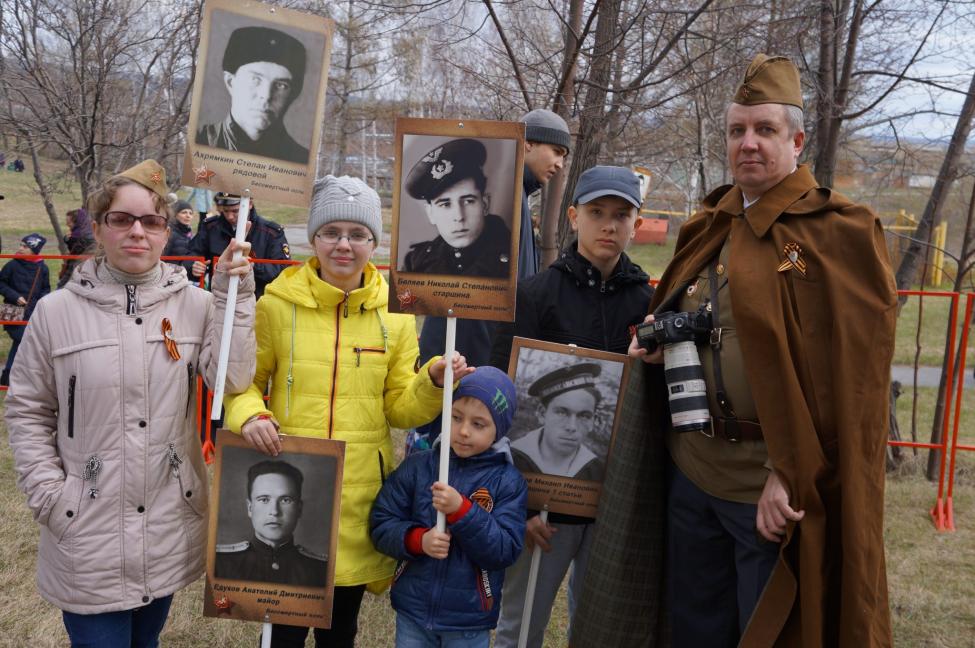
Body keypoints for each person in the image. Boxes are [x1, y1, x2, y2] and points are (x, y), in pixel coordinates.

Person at [573, 54, 898, 647]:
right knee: (694, 629)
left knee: (768, 631)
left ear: (797, 140)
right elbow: (691, 320)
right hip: (692, 474)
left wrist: (787, 472)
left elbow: (855, 383)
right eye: (737, 130)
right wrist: (658, 344)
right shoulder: (711, 226)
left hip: (768, 492)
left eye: (765, 130)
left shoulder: (839, 235)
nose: (748, 143)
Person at [4, 159, 256, 647]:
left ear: (166, 231)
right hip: (86, 525)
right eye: (122, 219)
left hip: (165, 521)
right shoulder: (56, 314)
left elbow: (233, 377)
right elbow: (29, 410)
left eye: (151, 221)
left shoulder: (198, 305)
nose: (137, 232)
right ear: (99, 227)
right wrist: (51, 497)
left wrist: (234, 294)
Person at [223, 174, 473, 648]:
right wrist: (251, 416)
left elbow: (399, 408)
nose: (344, 245)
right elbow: (243, 384)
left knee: (341, 634)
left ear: (373, 242)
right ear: (314, 238)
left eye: (358, 234)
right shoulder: (276, 304)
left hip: (358, 499)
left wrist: (431, 382)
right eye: (332, 232)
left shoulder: (397, 313)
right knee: (282, 636)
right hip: (288, 483)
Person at [489, 164, 652, 648]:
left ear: (636, 224)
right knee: (520, 629)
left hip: (614, 502)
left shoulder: (650, 303)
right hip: (544, 507)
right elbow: (500, 400)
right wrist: (520, 503)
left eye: (621, 215)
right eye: (597, 212)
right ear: (574, 216)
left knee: (600, 629)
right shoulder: (536, 296)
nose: (608, 225)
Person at [407, 110, 572, 454]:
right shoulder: (510, 206)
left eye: (565, 156)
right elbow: (475, 309)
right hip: (469, 360)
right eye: (556, 151)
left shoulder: (518, 203)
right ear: (526, 143)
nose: (559, 163)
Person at [370, 366, 527, 648]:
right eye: (456, 418)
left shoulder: (508, 481)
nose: (464, 431)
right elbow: (382, 522)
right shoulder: (419, 466)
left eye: (479, 424)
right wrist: (419, 540)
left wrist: (462, 511)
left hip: (468, 622)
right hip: (414, 614)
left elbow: (504, 549)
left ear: (499, 429)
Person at [196, 26, 310, 164]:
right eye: (255, 79)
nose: (266, 95)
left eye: (281, 85)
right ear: (231, 82)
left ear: (292, 94)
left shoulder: (301, 162)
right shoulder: (199, 144)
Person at [401, 138, 511, 278]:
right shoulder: (415, 262)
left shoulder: (513, 254)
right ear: (431, 214)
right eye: (445, 204)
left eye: (468, 201)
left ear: (484, 204)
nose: (459, 217)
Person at [215, 460, 328, 587]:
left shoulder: (322, 570)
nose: (274, 511)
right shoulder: (219, 564)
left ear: (299, 509)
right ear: (250, 508)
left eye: (285, 500)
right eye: (264, 500)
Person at [510, 363, 603, 480]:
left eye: (584, 416)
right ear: (542, 414)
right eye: (562, 413)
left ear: (592, 421)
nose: (572, 427)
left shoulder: (597, 471)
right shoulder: (510, 459)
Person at [190, 191, 290, 297]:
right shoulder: (210, 227)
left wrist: (251, 266)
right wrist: (194, 265)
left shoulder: (271, 232)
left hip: (257, 301)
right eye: (225, 211)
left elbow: (282, 269)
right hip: (219, 298)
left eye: (235, 211)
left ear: (250, 204)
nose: (230, 216)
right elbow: (191, 254)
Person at [0, 233, 50, 386]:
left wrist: (40, 303)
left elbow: (45, 289)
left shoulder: (42, 267)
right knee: (25, 340)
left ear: (34, 250)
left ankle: (8, 376)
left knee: (21, 343)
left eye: (25, 246)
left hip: (32, 314)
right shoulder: (12, 265)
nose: (20, 248)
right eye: (21, 245)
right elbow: (1, 284)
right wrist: (15, 296)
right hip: (12, 313)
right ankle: (19, 376)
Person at [57, 208, 96, 289]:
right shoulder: (88, 233)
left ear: (77, 222)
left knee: (62, 288)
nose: (67, 224)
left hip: (76, 268)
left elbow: (75, 252)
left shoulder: (79, 236)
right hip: (79, 267)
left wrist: (68, 240)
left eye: (69, 222)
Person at [162, 200, 197, 276]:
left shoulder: (188, 234)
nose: (188, 216)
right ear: (175, 215)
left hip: (182, 276)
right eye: (184, 212)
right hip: (169, 277)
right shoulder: (170, 233)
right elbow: (162, 258)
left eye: (190, 213)